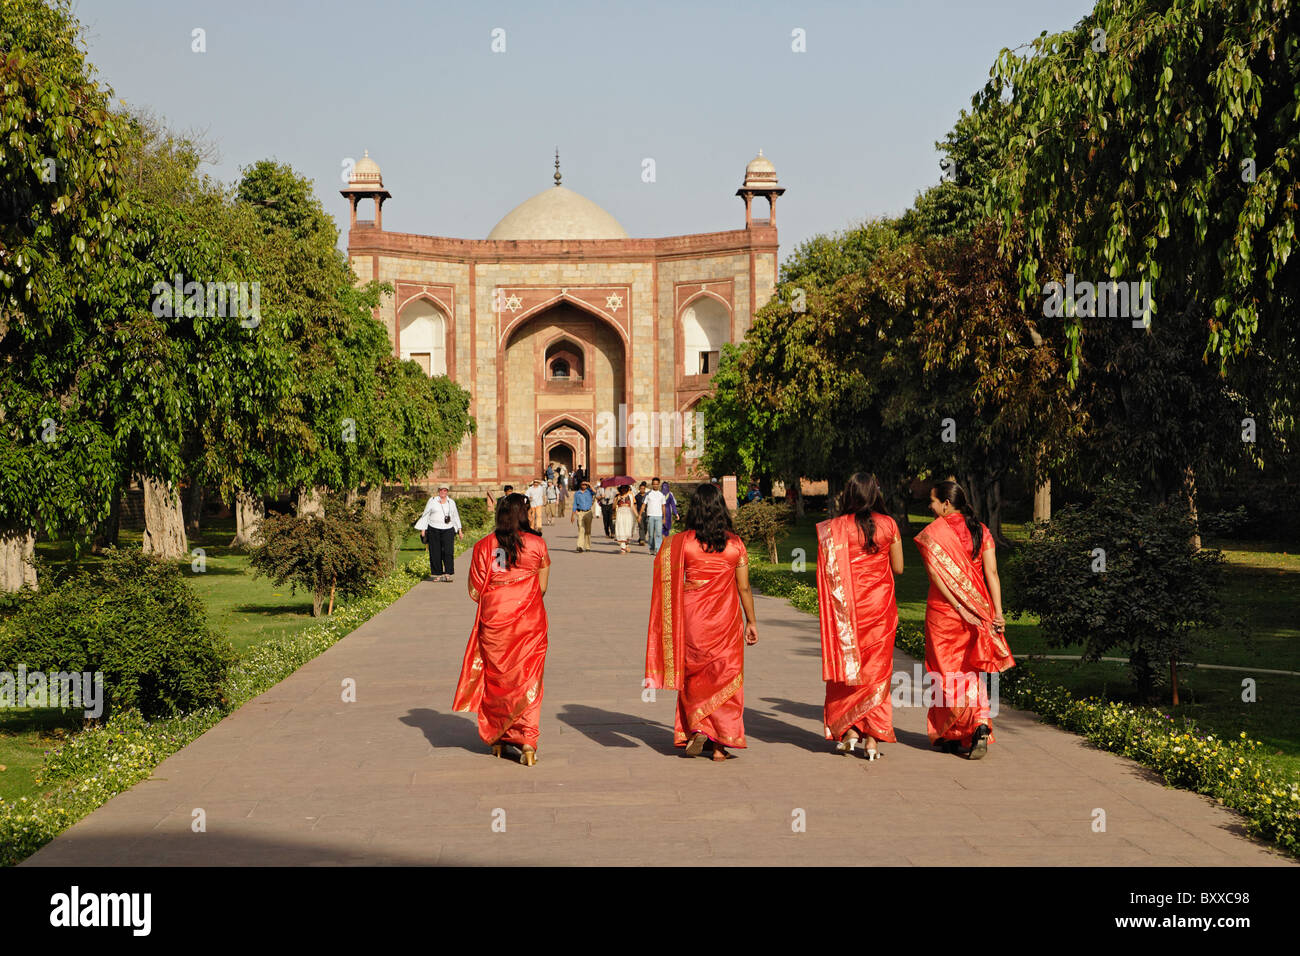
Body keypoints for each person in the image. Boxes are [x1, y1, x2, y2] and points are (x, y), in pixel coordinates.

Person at [645, 482, 758, 761]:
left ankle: (698, 727)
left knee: (693, 675)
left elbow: (666, 578)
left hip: (691, 618)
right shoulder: (735, 544)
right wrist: (752, 621)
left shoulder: (681, 543)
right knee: (725, 675)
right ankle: (720, 745)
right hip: (726, 620)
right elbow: (743, 588)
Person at [914, 480, 1015, 759]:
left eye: (933, 501)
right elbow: (992, 574)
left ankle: (952, 731)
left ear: (946, 504)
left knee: (945, 672)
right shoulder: (981, 530)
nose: (930, 506)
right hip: (979, 609)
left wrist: (958, 606)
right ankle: (978, 725)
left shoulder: (933, 534)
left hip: (944, 612)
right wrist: (997, 612)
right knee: (971, 671)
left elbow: (936, 577)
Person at [453, 494, 550, 766]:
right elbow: (542, 588)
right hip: (529, 622)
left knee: (497, 681)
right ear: (523, 514)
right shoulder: (537, 544)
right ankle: (528, 742)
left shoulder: (484, 545)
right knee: (529, 679)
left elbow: (474, 590)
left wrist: (500, 594)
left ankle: (498, 737)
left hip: (494, 620)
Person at [816, 472, 904, 759]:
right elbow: (899, 568)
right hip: (879, 609)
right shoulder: (889, 525)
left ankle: (850, 729)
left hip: (847, 612)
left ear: (849, 495)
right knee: (877, 673)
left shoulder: (834, 528)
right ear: (875, 493)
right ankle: (872, 739)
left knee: (849, 671)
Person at [414, 485, 463, 581]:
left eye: (445, 490)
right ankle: (438, 574)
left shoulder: (451, 502)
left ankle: (448, 573)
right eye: (441, 490)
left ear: (447, 492)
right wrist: (423, 529)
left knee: (448, 552)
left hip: (448, 529)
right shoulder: (432, 501)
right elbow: (426, 514)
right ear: (438, 491)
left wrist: (460, 530)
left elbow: (455, 516)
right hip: (433, 529)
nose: (443, 492)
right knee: (435, 552)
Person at [642, 477, 666, 557]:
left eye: (657, 484)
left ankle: (658, 549)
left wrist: (664, 517)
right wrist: (639, 515)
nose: (655, 485)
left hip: (659, 516)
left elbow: (663, 506)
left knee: (659, 534)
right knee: (651, 535)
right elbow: (644, 505)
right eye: (654, 484)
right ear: (652, 484)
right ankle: (651, 549)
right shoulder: (648, 494)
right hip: (650, 516)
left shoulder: (661, 495)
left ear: (659, 484)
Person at [570, 479, 595, 552]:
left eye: (585, 484)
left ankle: (587, 546)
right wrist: (572, 515)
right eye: (582, 484)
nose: (584, 486)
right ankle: (580, 546)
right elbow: (575, 505)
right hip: (580, 513)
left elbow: (595, 492)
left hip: (588, 512)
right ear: (580, 485)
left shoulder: (589, 492)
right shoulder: (577, 494)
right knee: (581, 529)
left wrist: (590, 485)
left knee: (588, 530)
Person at [614, 484, 637, 554]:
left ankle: (626, 544)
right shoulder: (617, 496)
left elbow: (633, 506)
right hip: (620, 513)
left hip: (628, 513)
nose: (623, 489)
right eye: (622, 488)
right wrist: (616, 500)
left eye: (625, 488)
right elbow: (613, 507)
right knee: (621, 529)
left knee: (628, 529)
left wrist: (637, 515)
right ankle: (623, 548)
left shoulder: (630, 495)